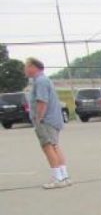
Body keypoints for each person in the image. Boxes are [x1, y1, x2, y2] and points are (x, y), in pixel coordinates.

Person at [24, 58, 70, 189]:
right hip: (52, 119)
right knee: (54, 146)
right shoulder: (44, 80)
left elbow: (42, 101)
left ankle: (57, 178)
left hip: (46, 120)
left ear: (33, 67)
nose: (25, 70)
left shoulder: (40, 81)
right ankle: (64, 176)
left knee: (47, 146)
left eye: (26, 67)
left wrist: (39, 118)